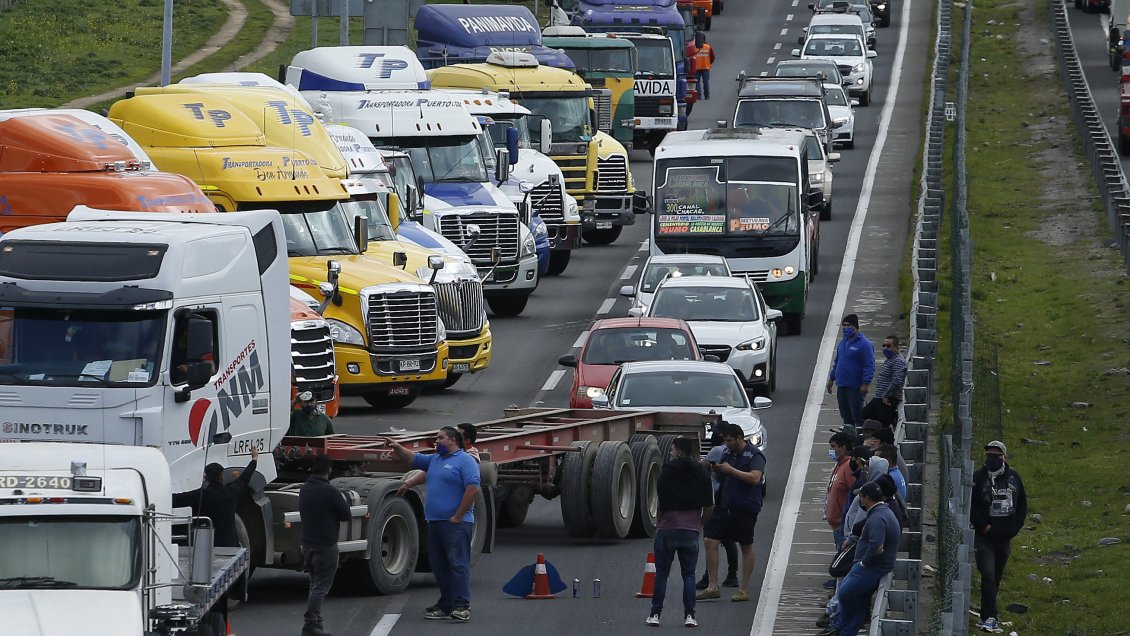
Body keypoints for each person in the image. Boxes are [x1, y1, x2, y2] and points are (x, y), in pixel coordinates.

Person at [383, 427, 481, 622]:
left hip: (456, 524)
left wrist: (458, 516)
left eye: (440, 438)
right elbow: (412, 458)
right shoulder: (435, 460)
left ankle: (462, 605)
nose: (436, 441)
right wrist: (397, 449)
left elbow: (473, 490)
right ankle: (446, 604)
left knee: (457, 564)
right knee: (439, 566)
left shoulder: (466, 461)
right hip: (435, 523)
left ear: (452, 440)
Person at [646, 437, 714, 628]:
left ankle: (655, 614)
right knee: (689, 576)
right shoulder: (701, 473)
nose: (671, 452)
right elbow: (710, 505)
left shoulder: (667, 473)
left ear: (678, 451)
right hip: (691, 530)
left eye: (673, 449)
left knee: (662, 575)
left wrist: (660, 522)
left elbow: (660, 502)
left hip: (668, 528)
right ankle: (690, 616)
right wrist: (699, 523)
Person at [819, 482, 900, 636]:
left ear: (867, 498)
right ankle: (846, 631)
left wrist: (864, 562)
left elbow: (877, 546)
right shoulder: (883, 512)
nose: (860, 501)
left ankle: (839, 626)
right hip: (876, 567)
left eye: (861, 497)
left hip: (871, 568)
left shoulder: (878, 517)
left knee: (845, 593)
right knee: (859, 601)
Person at [696, 422, 765, 603]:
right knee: (710, 540)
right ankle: (712, 586)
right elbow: (722, 476)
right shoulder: (726, 453)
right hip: (723, 505)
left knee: (745, 545)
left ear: (739, 438)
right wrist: (717, 470)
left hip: (744, 507)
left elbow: (755, 478)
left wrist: (731, 470)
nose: (726, 444)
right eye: (724, 441)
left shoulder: (754, 455)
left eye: (729, 440)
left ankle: (743, 589)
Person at [971, 440, 1027, 633]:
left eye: (997, 456)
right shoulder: (978, 478)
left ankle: (986, 612)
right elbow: (971, 505)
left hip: (1005, 537)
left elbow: (1022, 506)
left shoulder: (1013, 478)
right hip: (984, 536)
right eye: (989, 456)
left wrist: (1015, 527)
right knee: (987, 574)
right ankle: (990, 616)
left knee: (996, 575)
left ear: (1004, 457)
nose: (993, 459)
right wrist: (984, 526)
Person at [298, 455, 352, 636]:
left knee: (314, 585)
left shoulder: (305, 489)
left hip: (307, 544)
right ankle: (311, 624)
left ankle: (318, 624)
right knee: (320, 587)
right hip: (325, 545)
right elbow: (345, 515)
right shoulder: (330, 492)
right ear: (329, 470)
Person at [172, 446, 259, 548]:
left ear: (206, 477)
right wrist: (254, 459)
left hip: (206, 547)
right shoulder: (232, 492)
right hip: (229, 546)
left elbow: (177, 499)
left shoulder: (199, 496)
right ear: (222, 476)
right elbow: (245, 477)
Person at [697, 428, 738, 590]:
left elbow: (702, 466)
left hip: (716, 500)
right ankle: (732, 574)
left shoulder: (717, 450)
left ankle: (709, 577)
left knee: (710, 541)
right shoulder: (733, 452)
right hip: (731, 501)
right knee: (729, 540)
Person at [826, 314, 875, 436]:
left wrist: (865, 383)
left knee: (858, 417)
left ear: (856, 327)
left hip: (855, 387)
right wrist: (831, 378)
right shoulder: (843, 342)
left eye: (849, 325)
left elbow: (869, 366)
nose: (846, 328)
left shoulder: (864, 345)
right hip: (842, 385)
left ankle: (859, 441)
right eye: (844, 325)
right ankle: (849, 441)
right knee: (846, 417)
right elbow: (837, 362)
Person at [861, 335, 907, 427]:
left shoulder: (898, 361)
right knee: (864, 414)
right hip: (879, 397)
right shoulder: (889, 360)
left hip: (888, 399)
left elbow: (897, 380)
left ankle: (893, 419)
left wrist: (886, 394)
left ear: (896, 348)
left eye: (889, 346)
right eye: (884, 346)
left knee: (882, 425)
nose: (886, 348)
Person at [694, 36, 715, 100]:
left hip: (696, 67)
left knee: (697, 82)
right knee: (706, 82)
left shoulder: (694, 47)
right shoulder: (708, 47)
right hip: (706, 67)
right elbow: (713, 57)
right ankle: (707, 95)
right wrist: (709, 63)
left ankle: (698, 95)